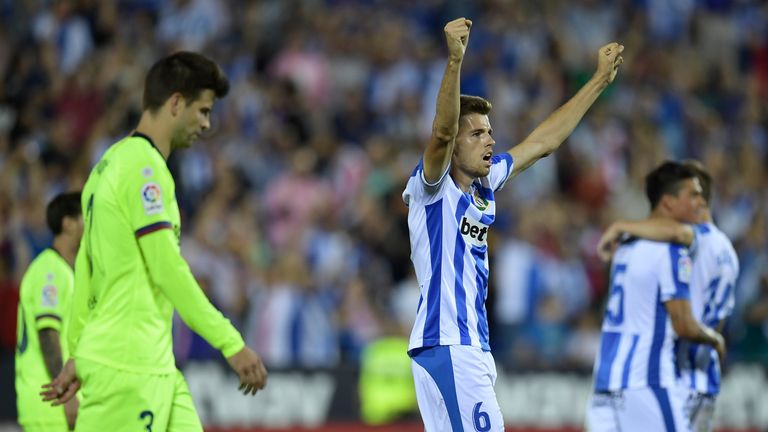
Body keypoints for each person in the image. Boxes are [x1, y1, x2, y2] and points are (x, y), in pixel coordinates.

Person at [402, 17, 624, 431]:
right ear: (454, 148)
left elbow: (543, 143)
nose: (489, 140)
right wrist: (454, 60)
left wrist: (597, 81)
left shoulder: (485, 183)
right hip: (450, 344)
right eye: (477, 135)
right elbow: (443, 129)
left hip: (463, 348)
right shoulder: (433, 187)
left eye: (490, 133)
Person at [41, 52, 267, 431]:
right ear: (176, 102)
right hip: (129, 365)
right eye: (204, 110)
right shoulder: (144, 170)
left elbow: (87, 270)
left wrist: (80, 354)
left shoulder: (107, 166)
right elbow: (166, 268)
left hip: (153, 363)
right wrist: (231, 343)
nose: (207, 124)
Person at [596, 160, 739, 432]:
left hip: (678, 375)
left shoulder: (688, 239)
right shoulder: (727, 249)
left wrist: (621, 226)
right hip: (706, 376)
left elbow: (674, 231)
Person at [16, 192, 82, 431]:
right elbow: (47, 333)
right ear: (69, 223)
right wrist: (64, 393)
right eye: (85, 216)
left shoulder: (65, 270)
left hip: (56, 405)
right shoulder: (49, 271)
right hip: (50, 404)